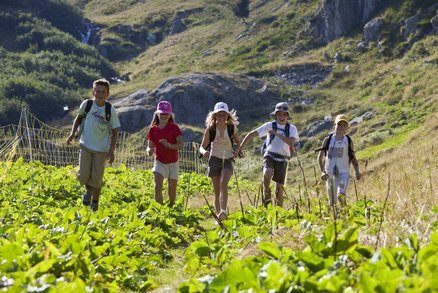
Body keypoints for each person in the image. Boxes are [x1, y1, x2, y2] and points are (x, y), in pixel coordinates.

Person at [66, 78, 121, 212]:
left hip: (101, 150)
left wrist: (111, 150)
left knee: (97, 178)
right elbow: (78, 120)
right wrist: (73, 134)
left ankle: (95, 203)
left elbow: (114, 132)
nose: (100, 94)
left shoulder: (109, 109)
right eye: (97, 91)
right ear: (93, 91)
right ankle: (88, 190)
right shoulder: (87, 104)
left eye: (103, 92)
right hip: (85, 145)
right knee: (83, 175)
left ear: (107, 94)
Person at [239, 102, 299, 207]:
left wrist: (276, 134)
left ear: (287, 116)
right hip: (270, 154)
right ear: (275, 115)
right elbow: (251, 134)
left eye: (284, 114)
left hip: (283, 158)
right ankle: (267, 196)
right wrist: (241, 147)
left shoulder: (292, 128)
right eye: (279, 114)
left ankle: (278, 212)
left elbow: (291, 142)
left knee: (279, 188)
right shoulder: (269, 125)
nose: (281, 117)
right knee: (267, 174)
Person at [199, 102, 241, 221]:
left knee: (223, 182)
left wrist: (237, 151)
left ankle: (223, 210)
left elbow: (239, 142)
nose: (221, 117)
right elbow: (202, 146)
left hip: (228, 159)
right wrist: (204, 152)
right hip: (214, 160)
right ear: (214, 116)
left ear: (227, 116)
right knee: (217, 191)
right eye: (219, 115)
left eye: (224, 115)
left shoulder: (231, 128)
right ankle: (219, 217)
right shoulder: (211, 129)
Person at [317, 114, 361, 207]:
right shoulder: (327, 140)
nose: (341, 127)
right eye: (339, 124)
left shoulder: (348, 141)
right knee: (332, 201)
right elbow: (320, 157)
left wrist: (357, 171)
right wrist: (322, 172)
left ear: (347, 127)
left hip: (343, 173)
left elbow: (353, 157)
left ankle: (345, 214)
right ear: (335, 125)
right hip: (330, 174)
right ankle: (334, 218)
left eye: (344, 125)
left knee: (341, 195)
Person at [147, 100, 183, 207]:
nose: (164, 116)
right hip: (159, 161)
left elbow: (181, 145)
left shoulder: (174, 128)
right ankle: (159, 210)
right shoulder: (152, 130)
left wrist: (169, 145)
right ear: (157, 114)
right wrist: (149, 150)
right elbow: (150, 145)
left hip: (173, 162)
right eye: (161, 113)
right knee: (157, 186)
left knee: (172, 188)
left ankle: (171, 207)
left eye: (166, 114)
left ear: (170, 115)